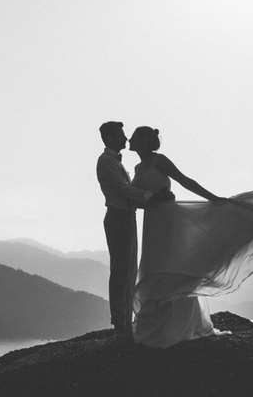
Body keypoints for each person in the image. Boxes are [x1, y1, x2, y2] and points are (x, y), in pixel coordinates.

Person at [129, 125, 253, 348]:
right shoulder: (138, 168)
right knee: (152, 266)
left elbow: (186, 181)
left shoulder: (159, 161)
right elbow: (138, 199)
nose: (129, 140)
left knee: (169, 266)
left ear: (144, 141)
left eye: (134, 137)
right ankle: (158, 324)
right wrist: (153, 199)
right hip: (151, 221)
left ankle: (173, 326)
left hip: (167, 220)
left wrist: (212, 198)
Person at [96, 121, 153, 342]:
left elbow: (127, 192)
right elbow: (123, 189)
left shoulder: (113, 162)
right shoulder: (107, 161)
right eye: (121, 134)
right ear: (110, 137)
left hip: (127, 217)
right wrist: (150, 197)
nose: (125, 138)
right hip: (118, 218)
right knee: (121, 271)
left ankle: (125, 321)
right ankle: (120, 323)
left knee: (128, 271)